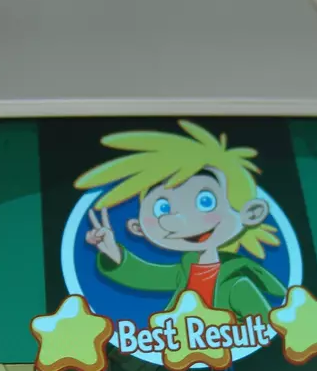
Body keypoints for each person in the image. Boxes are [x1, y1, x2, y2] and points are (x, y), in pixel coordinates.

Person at [75, 120, 286, 323]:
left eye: (205, 201)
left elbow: (269, 330)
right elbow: (144, 276)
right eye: (162, 208)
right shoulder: (185, 271)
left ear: (250, 214)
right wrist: (113, 252)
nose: (182, 219)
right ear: (138, 228)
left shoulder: (237, 284)